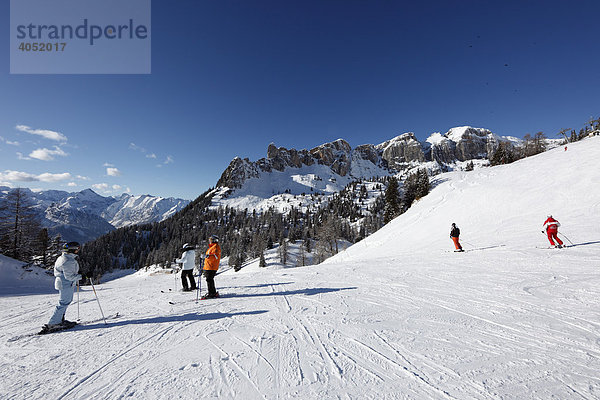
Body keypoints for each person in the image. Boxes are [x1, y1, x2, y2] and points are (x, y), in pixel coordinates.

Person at [40, 241, 82, 334]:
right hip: (66, 284)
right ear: (72, 250)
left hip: (63, 283)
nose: (77, 251)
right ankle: (54, 323)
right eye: (77, 249)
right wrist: (83, 276)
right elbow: (69, 277)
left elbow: (67, 273)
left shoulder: (63, 257)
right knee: (63, 303)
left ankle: (60, 320)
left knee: (65, 302)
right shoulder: (68, 261)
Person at [202, 235, 221, 299]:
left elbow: (215, 257)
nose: (209, 241)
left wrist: (207, 256)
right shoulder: (212, 247)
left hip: (211, 266)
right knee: (209, 279)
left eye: (210, 239)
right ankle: (212, 292)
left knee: (209, 279)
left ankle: (211, 293)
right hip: (209, 266)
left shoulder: (215, 247)